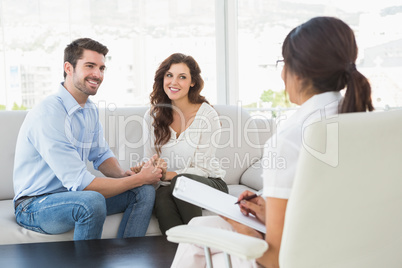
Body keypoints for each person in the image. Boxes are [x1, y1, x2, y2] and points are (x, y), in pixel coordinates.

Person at [171, 16, 374, 268]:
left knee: (198, 237)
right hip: (352, 252)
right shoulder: (365, 122)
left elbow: (276, 260)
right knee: (202, 223)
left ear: (297, 71)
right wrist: (269, 211)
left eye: (283, 63)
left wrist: (238, 224)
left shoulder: (292, 137)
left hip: (305, 258)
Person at [13, 38, 162, 240]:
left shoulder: (89, 110)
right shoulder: (49, 114)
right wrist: (139, 178)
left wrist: (124, 175)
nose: (98, 74)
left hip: (71, 196)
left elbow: (100, 155)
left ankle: (126, 256)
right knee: (91, 201)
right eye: (90, 66)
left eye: (101, 68)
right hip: (34, 206)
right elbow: (82, 184)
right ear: (69, 68)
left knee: (143, 191)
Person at [138, 53, 228, 235]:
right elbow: (151, 158)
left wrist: (166, 174)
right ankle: (181, 255)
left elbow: (202, 168)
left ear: (192, 82)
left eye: (182, 77)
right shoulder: (152, 116)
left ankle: (203, 245)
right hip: (168, 185)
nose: (174, 82)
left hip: (209, 182)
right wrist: (148, 169)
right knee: (162, 196)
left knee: (182, 181)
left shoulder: (207, 115)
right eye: (169, 75)